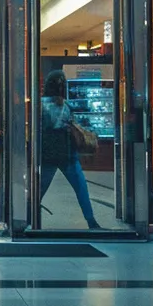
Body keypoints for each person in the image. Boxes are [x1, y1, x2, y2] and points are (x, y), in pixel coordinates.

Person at [38, 71, 102, 230]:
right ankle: (91, 221)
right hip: (67, 152)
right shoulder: (66, 106)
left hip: (48, 153)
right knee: (81, 186)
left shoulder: (40, 105)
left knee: (40, 188)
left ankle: (27, 216)